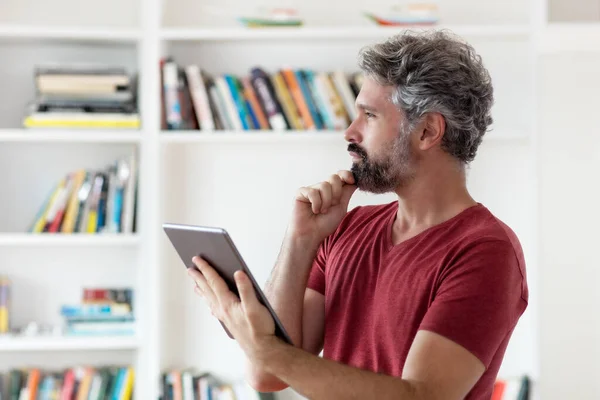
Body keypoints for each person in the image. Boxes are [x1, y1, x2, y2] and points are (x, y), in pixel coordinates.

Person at [187, 29, 528, 400]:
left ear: (428, 131)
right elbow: (267, 376)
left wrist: (262, 346)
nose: (350, 132)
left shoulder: (486, 250)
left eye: (369, 115)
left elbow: (421, 396)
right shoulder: (348, 227)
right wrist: (301, 240)